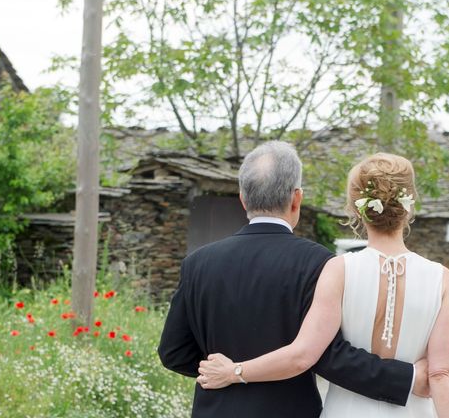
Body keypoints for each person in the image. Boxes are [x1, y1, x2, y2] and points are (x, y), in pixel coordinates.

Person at [158, 142, 429, 418]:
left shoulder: (198, 263)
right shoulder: (318, 263)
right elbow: (330, 356)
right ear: (296, 198)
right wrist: (407, 378)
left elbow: (174, 352)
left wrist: (225, 372)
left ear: (243, 199)